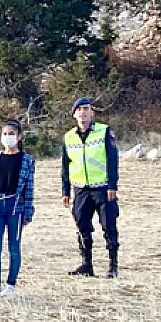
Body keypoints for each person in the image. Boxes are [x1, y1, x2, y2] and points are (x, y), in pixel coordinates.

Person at [62, 97, 120, 278]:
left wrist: (112, 185)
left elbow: (112, 160)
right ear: (74, 114)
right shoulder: (68, 137)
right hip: (80, 189)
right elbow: (65, 165)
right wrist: (65, 191)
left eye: (86, 108)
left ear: (92, 112)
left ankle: (113, 265)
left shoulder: (104, 132)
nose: (83, 112)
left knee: (108, 226)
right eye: (79, 109)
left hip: (102, 188)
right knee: (82, 226)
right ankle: (87, 264)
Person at [0, 119, 36, 297]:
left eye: (12, 134)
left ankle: (11, 284)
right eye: (5, 134)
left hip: (15, 207)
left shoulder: (26, 160)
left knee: (14, 247)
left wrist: (27, 212)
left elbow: (29, 188)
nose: (8, 137)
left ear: (19, 137)